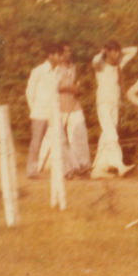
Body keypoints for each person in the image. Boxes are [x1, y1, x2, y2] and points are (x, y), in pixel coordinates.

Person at [39, 45, 91, 178]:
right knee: (53, 138)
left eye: (70, 51)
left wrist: (76, 89)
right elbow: (51, 87)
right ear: (60, 54)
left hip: (74, 105)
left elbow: (76, 84)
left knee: (80, 134)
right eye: (65, 51)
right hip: (59, 106)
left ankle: (82, 166)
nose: (68, 54)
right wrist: (68, 88)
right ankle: (40, 166)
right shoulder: (55, 68)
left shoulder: (73, 66)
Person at [90, 41, 138, 179]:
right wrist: (103, 52)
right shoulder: (100, 65)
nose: (116, 54)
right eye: (113, 51)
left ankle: (98, 169)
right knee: (112, 135)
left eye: (118, 52)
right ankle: (119, 165)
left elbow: (134, 49)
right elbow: (95, 60)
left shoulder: (119, 64)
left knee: (107, 136)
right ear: (107, 52)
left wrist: (120, 51)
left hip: (115, 104)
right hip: (103, 103)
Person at [24, 43, 62, 178]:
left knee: (57, 140)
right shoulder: (38, 71)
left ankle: (57, 170)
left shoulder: (59, 72)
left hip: (54, 113)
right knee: (36, 142)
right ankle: (32, 170)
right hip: (39, 113)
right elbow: (30, 91)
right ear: (50, 55)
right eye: (58, 55)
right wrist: (33, 109)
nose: (60, 57)